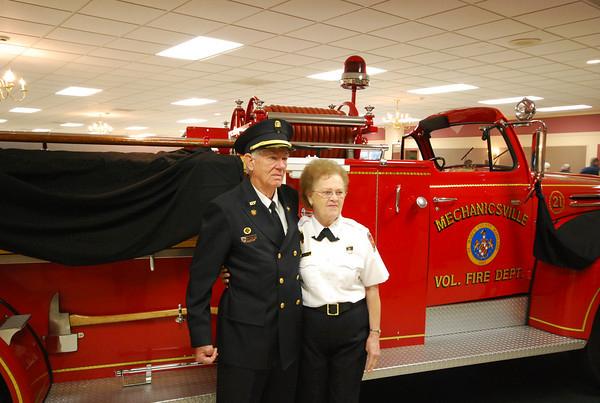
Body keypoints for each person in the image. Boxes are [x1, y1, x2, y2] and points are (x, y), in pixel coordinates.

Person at [186, 118, 302, 403]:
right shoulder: (225, 208)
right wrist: (201, 337)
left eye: (284, 158)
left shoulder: (289, 199)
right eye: (271, 158)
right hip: (245, 340)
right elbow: (200, 279)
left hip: (287, 337)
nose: (281, 165)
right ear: (249, 161)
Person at [296, 159, 389, 403]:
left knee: (345, 397)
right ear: (309, 196)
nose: (334, 198)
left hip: (351, 327)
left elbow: (372, 288)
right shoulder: (296, 234)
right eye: (326, 192)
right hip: (309, 329)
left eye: (339, 192)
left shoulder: (359, 234)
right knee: (310, 396)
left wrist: (374, 336)